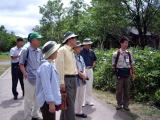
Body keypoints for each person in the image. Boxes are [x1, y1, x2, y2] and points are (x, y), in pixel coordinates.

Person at [19, 32, 43, 120]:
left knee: (38, 98)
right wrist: (25, 73)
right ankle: (27, 118)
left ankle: (35, 115)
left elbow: (41, 62)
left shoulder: (39, 50)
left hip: (38, 78)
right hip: (29, 78)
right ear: (32, 40)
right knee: (28, 100)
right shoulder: (25, 50)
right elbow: (21, 64)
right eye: (38, 39)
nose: (40, 41)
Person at [36, 41, 61, 120]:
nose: (57, 52)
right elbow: (46, 86)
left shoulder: (50, 64)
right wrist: (50, 102)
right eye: (56, 50)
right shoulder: (45, 66)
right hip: (46, 101)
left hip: (47, 100)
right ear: (52, 52)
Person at [56, 31, 78, 120]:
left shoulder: (71, 51)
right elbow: (59, 67)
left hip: (73, 79)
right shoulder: (62, 50)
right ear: (69, 39)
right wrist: (61, 82)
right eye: (74, 38)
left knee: (67, 104)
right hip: (66, 79)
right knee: (70, 105)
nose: (76, 40)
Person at [112, 36, 135, 111]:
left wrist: (133, 74)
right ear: (121, 43)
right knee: (119, 90)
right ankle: (119, 104)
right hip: (119, 74)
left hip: (127, 74)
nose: (126, 44)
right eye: (125, 43)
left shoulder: (129, 53)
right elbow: (113, 65)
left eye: (127, 43)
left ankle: (126, 105)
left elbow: (132, 64)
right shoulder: (116, 54)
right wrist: (115, 73)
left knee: (127, 90)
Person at [80, 38, 97, 106]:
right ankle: (82, 101)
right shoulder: (80, 51)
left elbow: (94, 60)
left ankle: (89, 100)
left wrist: (93, 65)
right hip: (83, 70)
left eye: (90, 44)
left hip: (90, 69)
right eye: (88, 44)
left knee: (89, 85)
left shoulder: (91, 51)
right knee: (83, 85)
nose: (90, 45)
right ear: (84, 45)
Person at [74, 41, 88, 118]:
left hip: (82, 79)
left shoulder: (81, 57)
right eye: (79, 47)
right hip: (75, 79)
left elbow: (84, 66)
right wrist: (81, 74)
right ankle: (74, 112)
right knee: (76, 97)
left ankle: (79, 111)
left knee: (81, 96)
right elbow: (73, 68)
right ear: (74, 48)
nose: (80, 48)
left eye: (80, 46)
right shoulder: (72, 57)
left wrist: (84, 74)